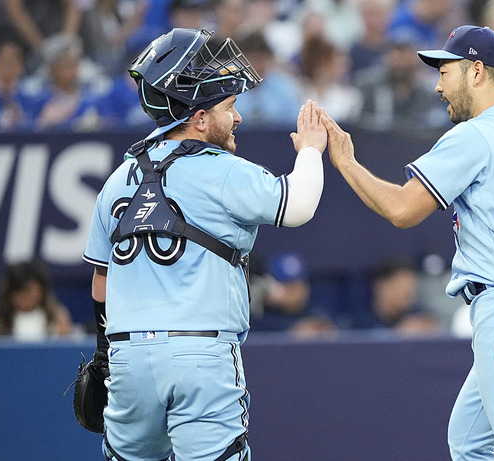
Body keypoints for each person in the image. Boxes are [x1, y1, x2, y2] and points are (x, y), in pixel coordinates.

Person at [320, 24, 494, 460]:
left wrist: (346, 162)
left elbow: (401, 209)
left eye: (445, 72)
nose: (437, 86)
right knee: (470, 442)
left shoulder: (476, 134)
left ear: (476, 71)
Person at [82, 28, 327, 461]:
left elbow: (101, 283)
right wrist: (310, 149)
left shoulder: (116, 181)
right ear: (197, 118)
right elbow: (299, 205)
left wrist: (105, 355)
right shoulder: (222, 169)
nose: (237, 118)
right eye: (229, 106)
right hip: (201, 353)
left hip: (127, 358)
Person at [251, 252, 337, 338]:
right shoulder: (258, 317)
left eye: (300, 284)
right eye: (289, 286)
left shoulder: (315, 313)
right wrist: (291, 332)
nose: (297, 291)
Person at [350, 257, 441, 335]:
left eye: (411, 288)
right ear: (382, 286)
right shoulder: (360, 323)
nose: (406, 294)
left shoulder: (418, 315)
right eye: (400, 287)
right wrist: (398, 333)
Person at [0, 259, 74, 341]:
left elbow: (64, 350)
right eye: (21, 294)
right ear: (9, 293)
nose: (26, 299)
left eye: (30, 293)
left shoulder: (58, 318)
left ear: (42, 291)